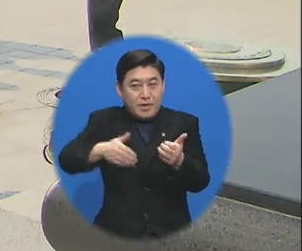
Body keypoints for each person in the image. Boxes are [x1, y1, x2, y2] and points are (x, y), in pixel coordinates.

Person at [57, 49, 210, 239]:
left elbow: (201, 181)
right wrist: (101, 150)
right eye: (135, 86)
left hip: (172, 236)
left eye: (153, 85)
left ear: (163, 86)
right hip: (116, 234)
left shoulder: (184, 124)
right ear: (119, 89)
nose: (145, 95)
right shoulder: (104, 121)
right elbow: (67, 159)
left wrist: (180, 161)